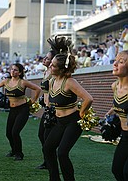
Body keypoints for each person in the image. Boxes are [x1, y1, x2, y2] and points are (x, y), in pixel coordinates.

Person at [43, 36, 93, 181]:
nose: (50, 67)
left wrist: (82, 112)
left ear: (61, 69)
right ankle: (54, 178)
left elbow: (88, 98)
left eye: (53, 65)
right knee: (48, 148)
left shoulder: (70, 82)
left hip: (72, 121)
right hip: (59, 121)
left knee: (62, 153)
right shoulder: (51, 81)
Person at [0, 63, 41, 161]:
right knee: (8, 133)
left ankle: (19, 154)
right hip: (12, 110)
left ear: (20, 72)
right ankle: (13, 150)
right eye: (11, 69)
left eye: (15, 70)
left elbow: (38, 89)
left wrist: (33, 100)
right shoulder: (6, 81)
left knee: (15, 132)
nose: (12, 71)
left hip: (22, 109)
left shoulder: (23, 82)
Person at [105, 50, 128, 180]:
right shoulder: (115, 86)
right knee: (117, 170)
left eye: (121, 62)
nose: (115, 64)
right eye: (115, 60)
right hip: (125, 136)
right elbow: (119, 105)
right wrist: (109, 115)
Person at [37, 48, 57, 169]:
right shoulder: (46, 72)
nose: (44, 59)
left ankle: (50, 163)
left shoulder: (54, 74)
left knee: (48, 138)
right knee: (41, 135)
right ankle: (47, 161)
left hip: (53, 110)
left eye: (48, 58)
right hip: (47, 109)